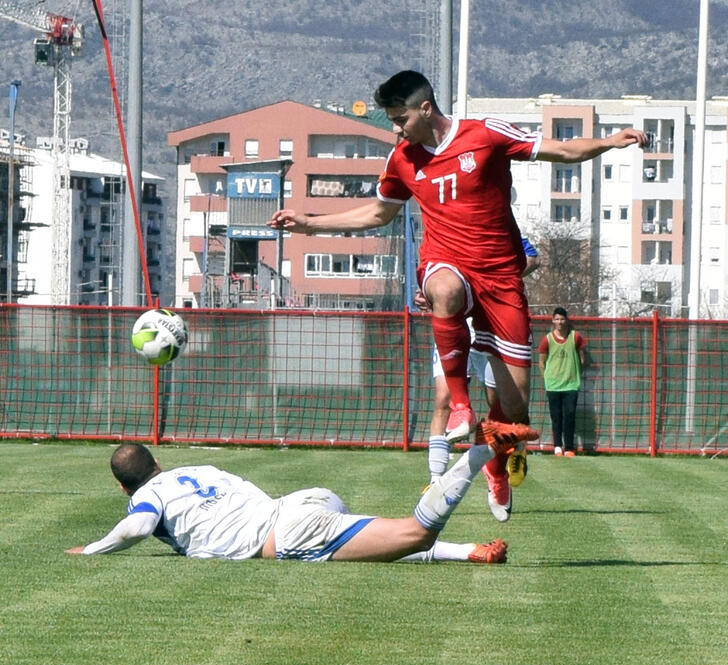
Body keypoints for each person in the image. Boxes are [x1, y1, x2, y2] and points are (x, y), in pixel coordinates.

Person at [268, 70, 646, 495]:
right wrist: (310, 225)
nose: (396, 129)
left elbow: (559, 149)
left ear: (425, 109)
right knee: (443, 290)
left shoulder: (485, 135)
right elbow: (378, 213)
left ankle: (496, 465)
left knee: (516, 407)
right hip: (446, 263)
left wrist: (610, 142)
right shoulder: (402, 159)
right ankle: (460, 407)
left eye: (400, 119)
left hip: (501, 276)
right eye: (392, 120)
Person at [66, 429, 536, 563]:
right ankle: (469, 553)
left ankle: (477, 455)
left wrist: (92, 548)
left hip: (287, 530)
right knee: (376, 545)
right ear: (158, 464)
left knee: (413, 533)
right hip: (301, 502)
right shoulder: (195, 468)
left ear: (124, 485)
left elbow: (139, 525)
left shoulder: (145, 498)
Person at [425, 239, 540, 523]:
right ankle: (435, 481)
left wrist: (499, 277)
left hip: (493, 315)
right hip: (456, 321)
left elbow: (533, 257)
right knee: (444, 399)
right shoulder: (444, 222)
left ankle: (498, 466)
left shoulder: (494, 223)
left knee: (507, 407)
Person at [538, 307, 588, 456]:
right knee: (556, 416)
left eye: (562, 319)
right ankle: (557, 446)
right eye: (557, 319)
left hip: (571, 384)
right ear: (553, 321)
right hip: (553, 385)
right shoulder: (547, 339)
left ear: (566, 320)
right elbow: (541, 362)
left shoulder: (575, 337)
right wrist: (546, 378)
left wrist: (576, 372)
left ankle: (570, 448)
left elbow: (583, 359)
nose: (560, 322)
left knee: (570, 415)